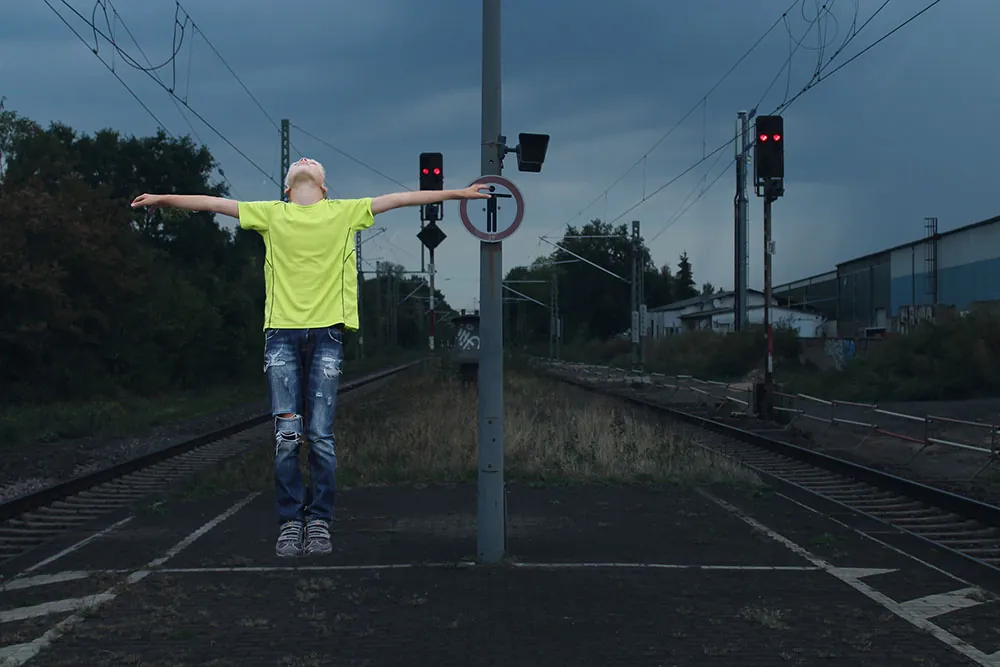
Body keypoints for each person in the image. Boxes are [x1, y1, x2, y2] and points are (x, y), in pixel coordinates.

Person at [131, 158, 490, 557]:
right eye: (298, 164)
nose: (303, 162)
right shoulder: (270, 214)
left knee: (319, 436)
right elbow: (213, 204)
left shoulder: (345, 212)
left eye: (311, 164)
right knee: (286, 437)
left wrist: (458, 193)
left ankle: (318, 522)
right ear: (287, 189)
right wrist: (164, 198)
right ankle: (290, 523)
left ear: (323, 188)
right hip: (281, 334)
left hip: (327, 334)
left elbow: (405, 198)